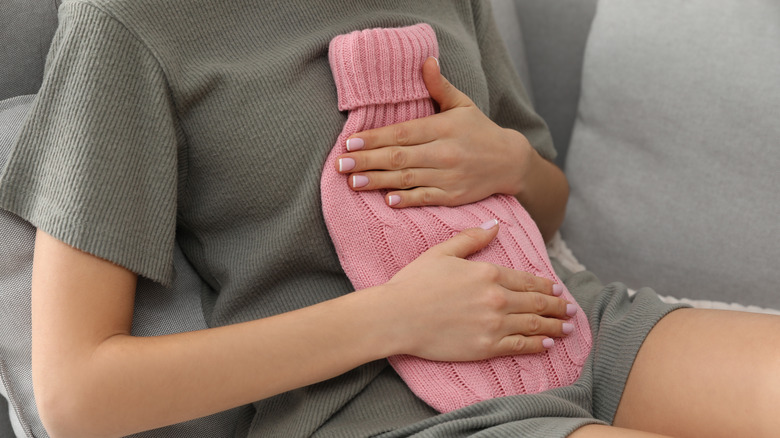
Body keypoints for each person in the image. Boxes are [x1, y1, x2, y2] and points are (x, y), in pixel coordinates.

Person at [0, 1, 777, 437]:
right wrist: (393, 320)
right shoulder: (128, 24)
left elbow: (545, 203)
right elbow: (80, 396)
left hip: (571, 326)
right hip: (378, 412)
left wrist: (508, 160)